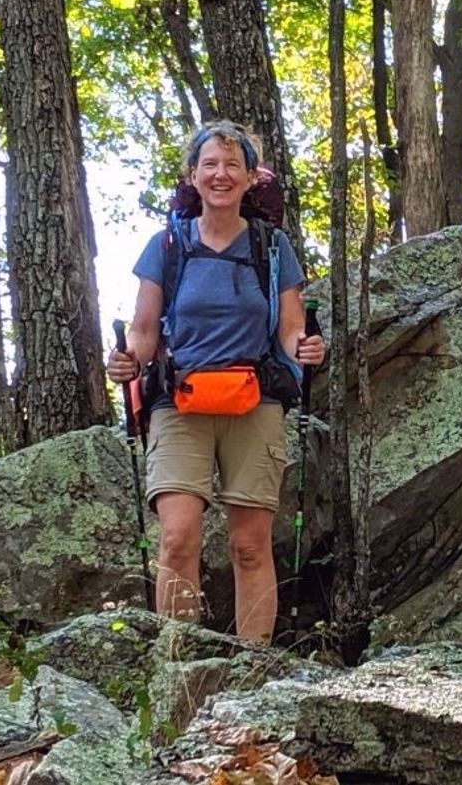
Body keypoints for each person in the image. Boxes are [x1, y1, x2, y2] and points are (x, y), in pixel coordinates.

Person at [106, 121, 326, 645]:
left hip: (255, 400)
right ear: (193, 175)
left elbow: (292, 331)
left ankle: (252, 670)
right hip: (179, 402)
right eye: (210, 164)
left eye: (232, 165)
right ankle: (178, 669)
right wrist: (126, 361)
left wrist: (310, 350)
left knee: (250, 545)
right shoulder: (166, 246)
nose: (220, 175)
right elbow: (142, 330)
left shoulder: (273, 249)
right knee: (177, 538)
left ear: (251, 177)